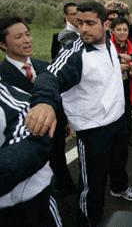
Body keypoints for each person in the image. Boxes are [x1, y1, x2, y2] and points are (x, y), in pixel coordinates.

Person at [25, 2, 132, 227]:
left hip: (117, 121)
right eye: (79, 23)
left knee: (119, 162)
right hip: (93, 130)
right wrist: (44, 102)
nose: (83, 29)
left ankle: (119, 187)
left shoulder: (110, 45)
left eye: (90, 23)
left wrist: (120, 60)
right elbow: (51, 75)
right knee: (93, 185)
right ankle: (87, 221)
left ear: (106, 24)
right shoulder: (75, 51)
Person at [0, 16, 76, 196]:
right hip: (25, 143)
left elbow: (58, 97)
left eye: (28, 34)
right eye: (18, 37)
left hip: (54, 132)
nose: (27, 40)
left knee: (59, 162)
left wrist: (63, 122)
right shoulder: (2, 77)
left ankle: (65, 187)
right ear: (3, 44)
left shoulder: (45, 67)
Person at [0, 79, 62, 227]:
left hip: (31, 201)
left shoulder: (9, 97)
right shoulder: (6, 70)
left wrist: (46, 104)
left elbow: (31, 123)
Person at [110, 17, 132, 148]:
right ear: (112, 31)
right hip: (111, 88)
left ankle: (128, 135)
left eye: (125, 30)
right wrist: (116, 68)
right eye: (119, 29)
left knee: (127, 111)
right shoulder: (107, 46)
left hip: (127, 85)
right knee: (113, 114)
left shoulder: (131, 46)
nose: (122, 32)